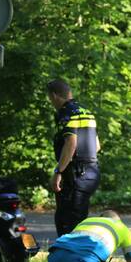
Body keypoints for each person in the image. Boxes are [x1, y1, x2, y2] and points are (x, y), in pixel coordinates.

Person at [46, 80, 100, 235]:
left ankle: (68, 257)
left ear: (54, 96)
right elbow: (96, 146)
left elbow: (71, 143)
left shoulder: (66, 113)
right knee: (77, 220)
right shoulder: (86, 112)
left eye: (50, 99)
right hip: (92, 172)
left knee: (66, 223)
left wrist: (59, 171)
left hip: (76, 174)